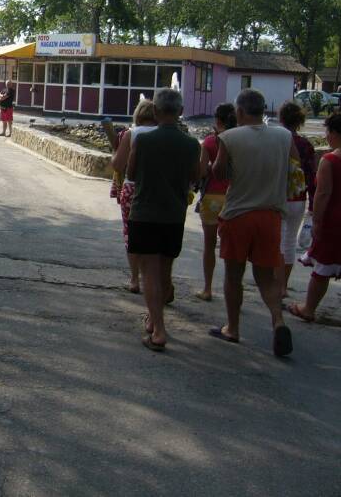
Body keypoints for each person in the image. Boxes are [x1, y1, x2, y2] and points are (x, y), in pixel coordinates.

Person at [210, 88, 297, 357]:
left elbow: (219, 172)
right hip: (270, 215)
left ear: (239, 111)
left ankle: (233, 328)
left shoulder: (229, 137)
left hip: (238, 215)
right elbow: (294, 164)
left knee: (233, 275)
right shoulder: (284, 136)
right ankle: (278, 321)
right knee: (266, 277)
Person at [125, 89, 202, 351]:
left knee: (149, 273)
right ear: (181, 112)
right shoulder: (191, 144)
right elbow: (195, 177)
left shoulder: (143, 141)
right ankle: (154, 317)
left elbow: (131, 173)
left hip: (145, 213)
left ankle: (158, 330)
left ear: (156, 111)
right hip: (173, 215)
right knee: (165, 270)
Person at [289, 112, 341, 322]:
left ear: (335, 133)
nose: (326, 135)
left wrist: (316, 220)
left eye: (328, 131)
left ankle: (308, 308)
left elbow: (323, 194)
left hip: (334, 219)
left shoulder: (330, 160)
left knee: (322, 266)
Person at [110, 99, 158, 295]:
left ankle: (134, 278)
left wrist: (115, 151)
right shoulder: (163, 133)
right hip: (157, 189)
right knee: (154, 234)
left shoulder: (132, 134)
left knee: (131, 233)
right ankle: (154, 278)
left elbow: (117, 165)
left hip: (132, 189)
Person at [195, 103, 236, 301]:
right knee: (232, 249)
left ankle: (207, 288)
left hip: (212, 197)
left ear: (217, 119)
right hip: (234, 197)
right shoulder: (239, 140)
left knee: (209, 245)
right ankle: (232, 290)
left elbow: (201, 171)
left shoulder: (210, 142)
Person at [278, 101, 317, 299]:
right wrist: (312, 204)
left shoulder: (277, 140)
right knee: (290, 242)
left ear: (281, 119)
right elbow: (311, 176)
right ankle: (283, 286)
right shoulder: (306, 145)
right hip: (298, 198)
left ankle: (275, 284)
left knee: (278, 242)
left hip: (278, 197)